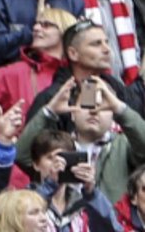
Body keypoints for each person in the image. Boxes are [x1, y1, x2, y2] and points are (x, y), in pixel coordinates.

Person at [16, 72, 145, 204]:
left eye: (103, 107)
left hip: (111, 223)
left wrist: (120, 109)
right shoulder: (57, 146)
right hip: (60, 221)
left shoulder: (125, 146)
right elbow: (21, 155)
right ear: (72, 113)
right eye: (87, 104)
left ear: (113, 116)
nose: (94, 111)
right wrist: (48, 111)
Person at [0, 6, 76, 144]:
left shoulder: (83, 76)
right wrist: (2, 133)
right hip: (24, 159)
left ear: (65, 33)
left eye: (46, 25)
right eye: (36, 24)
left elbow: (94, 116)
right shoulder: (13, 73)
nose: (36, 28)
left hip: (73, 159)